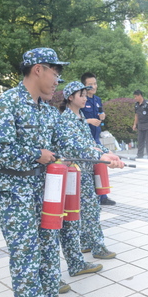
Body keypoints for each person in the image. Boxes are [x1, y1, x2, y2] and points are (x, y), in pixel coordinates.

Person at [0, 47, 123, 297]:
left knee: (47, 248)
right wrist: (36, 154)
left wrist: (101, 155)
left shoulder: (47, 112)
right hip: (14, 192)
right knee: (26, 257)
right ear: (38, 69)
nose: (57, 79)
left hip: (44, 190)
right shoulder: (8, 102)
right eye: (55, 72)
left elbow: (70, 142)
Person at [60, 81, 120, 261]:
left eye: (86, 95)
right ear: (70, 98)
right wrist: (102, 158)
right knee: (91, 210)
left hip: (86, 171)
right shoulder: (66, 120)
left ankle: (86, 242)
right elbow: (74, 148)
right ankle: (98, 247)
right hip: (75, 172)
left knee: (86, 209)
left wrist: (106, 152)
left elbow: (90, 143)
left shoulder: (79, 118)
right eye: (82, 95)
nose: (86, 98)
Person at [80, 72, 115, 206]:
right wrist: (88, 120)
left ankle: (103, 196)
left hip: (96, 137)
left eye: (95, 84)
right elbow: (77, 118)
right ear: (84, 86)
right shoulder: (81, 100)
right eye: (90, 85)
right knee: (88, 168)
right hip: (85, 138)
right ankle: (89, 197)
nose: (93, 87)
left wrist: (102, 116)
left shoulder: (97, 99)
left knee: (101, 164)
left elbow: (100, 113)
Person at [132, 89, 148, 159]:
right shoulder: (136, 105)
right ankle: (140, 155)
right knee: (140, 140)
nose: (135, 98)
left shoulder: (147, 103)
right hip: (140, 125)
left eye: (136, 96)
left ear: (140, 96)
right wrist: (134, 124)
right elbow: (136, 115)